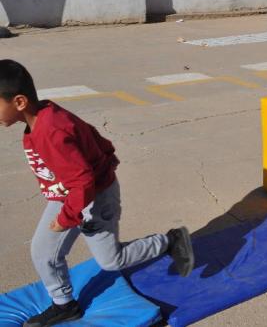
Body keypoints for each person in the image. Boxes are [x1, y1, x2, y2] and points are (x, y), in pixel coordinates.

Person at [0, 60, 195, 327]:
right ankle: (65, 305)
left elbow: (82, 182)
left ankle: (170, 240)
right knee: (42, 251)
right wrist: (104, 157)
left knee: (111, 260)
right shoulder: (43, 116)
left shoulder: (51, 130)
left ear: (19, 102)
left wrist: (67, 218)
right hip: (67, 196)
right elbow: (89, 134)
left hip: (94, 197)